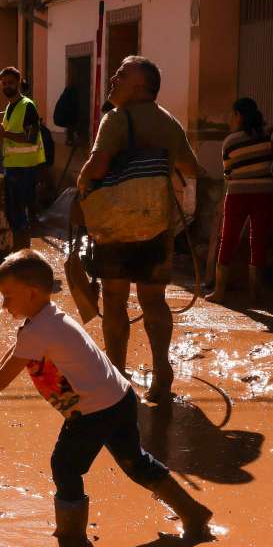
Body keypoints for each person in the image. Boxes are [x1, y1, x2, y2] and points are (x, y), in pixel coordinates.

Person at [0, 249, 214, 547]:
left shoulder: (38, 331)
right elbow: (1, 365)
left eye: (8, 296)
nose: (3, 304)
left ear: (32, 293)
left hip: (93, 412)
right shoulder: (47, 319)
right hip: (119, 398)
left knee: (64, 466)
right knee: (135, 462)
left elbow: (3, 377)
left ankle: (72, 538)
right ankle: (192, 513)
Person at [77, 56, 203, 406]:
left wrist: (81, 184)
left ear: (140, 86)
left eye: (121, 75)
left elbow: (98, 165)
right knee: (153, 300)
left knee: (115, 299)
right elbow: (190, 167)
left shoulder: (115, 119)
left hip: (114, 226)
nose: (113, 79)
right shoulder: (167, 122)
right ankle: (162, 373)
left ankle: (116, 376)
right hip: (156, 223)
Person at [208, 97, 273, 302]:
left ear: (238, 115)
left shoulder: (230, 141)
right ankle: (256, 292)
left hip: (237, 194)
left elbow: (227, 172)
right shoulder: (268, 133)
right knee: (258, 240)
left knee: (228, 239)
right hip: (264, 193)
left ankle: (219, 292)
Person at [0, 67, 44, 250]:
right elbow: (8, 136)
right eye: (3, 83)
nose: (6, 86)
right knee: (13, 214)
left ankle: (24, 256)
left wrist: (4, 133)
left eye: (10, 83)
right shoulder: (10, 106)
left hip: (26, 168)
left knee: (20, 215)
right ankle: (20, 254)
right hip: (12, 166)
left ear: (18, 83)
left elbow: (30, 137)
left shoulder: (27, 106)